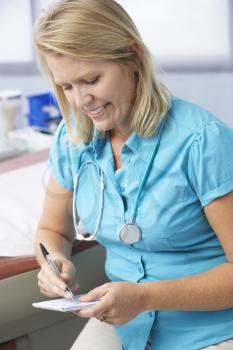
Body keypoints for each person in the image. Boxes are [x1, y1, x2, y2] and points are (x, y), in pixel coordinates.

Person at [33, 0, 233, 349]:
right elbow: (51, 229)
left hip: (211, 331)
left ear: (133, 56)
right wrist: (54, 261)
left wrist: (144, 297)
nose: (80, 100)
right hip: (123, 324)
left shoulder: (202, 141)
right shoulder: (72, 139)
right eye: (66, 87)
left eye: (91, 79)